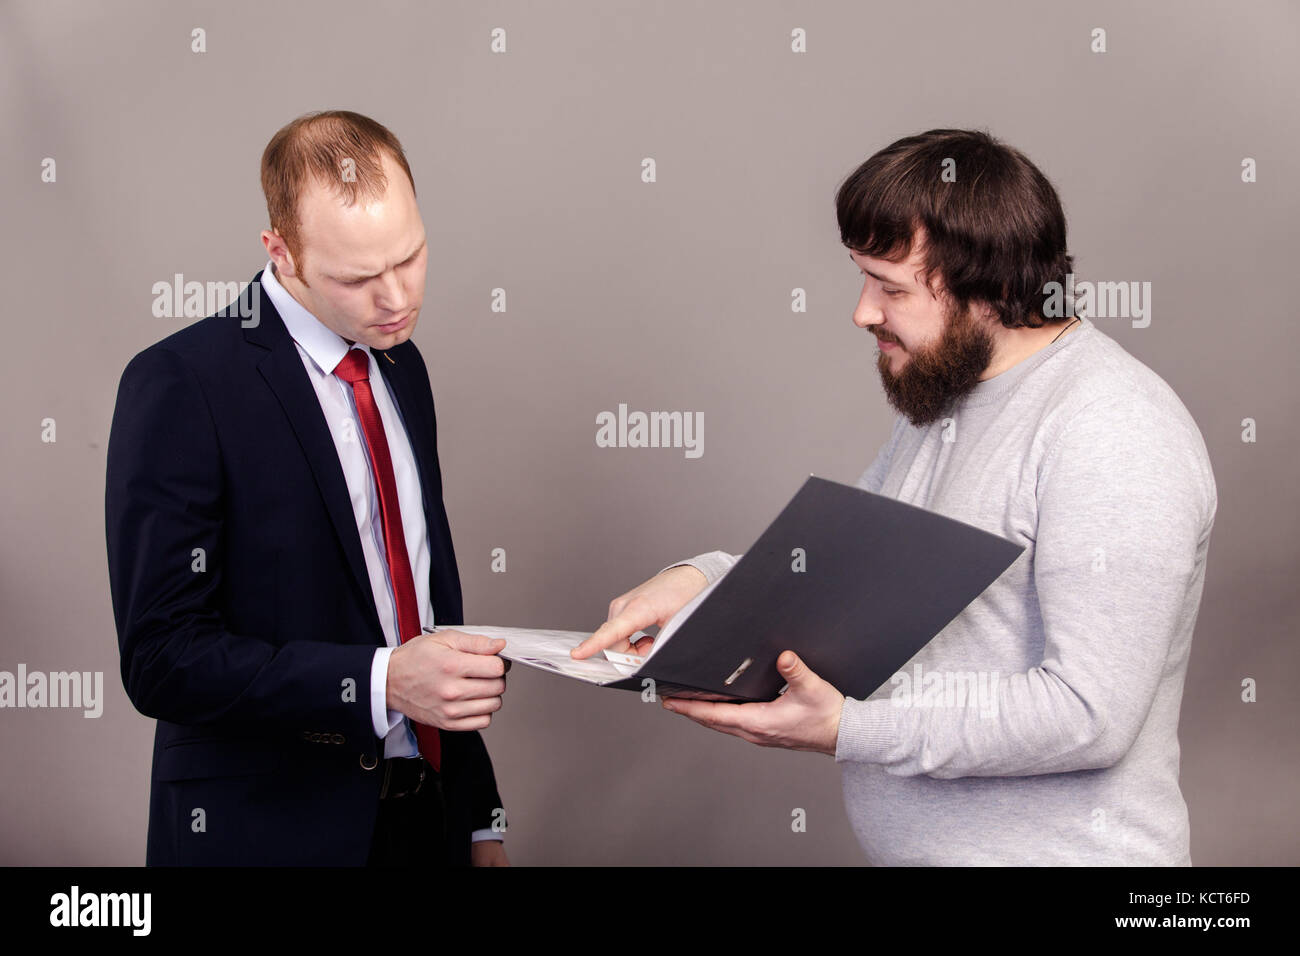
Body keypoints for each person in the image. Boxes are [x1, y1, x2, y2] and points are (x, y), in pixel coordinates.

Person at [574, 128, 1217, 865]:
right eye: (863, 277)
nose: (863, 312)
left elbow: (1088, 715)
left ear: (997, 291)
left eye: (892, 287)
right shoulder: (950, 397)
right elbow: (835, 573)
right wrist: (701, 578)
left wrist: (850, 728)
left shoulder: (1114, 431)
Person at [106, 110, 510, 866]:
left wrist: (480, 818)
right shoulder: (180, 384)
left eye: (412, 256)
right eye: (357, 277)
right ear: (280, 252)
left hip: (427, 826)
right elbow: (162, 656)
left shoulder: (400, 365)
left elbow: (423, 606)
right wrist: (382, 682)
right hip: (269, 836)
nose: (396, 298)